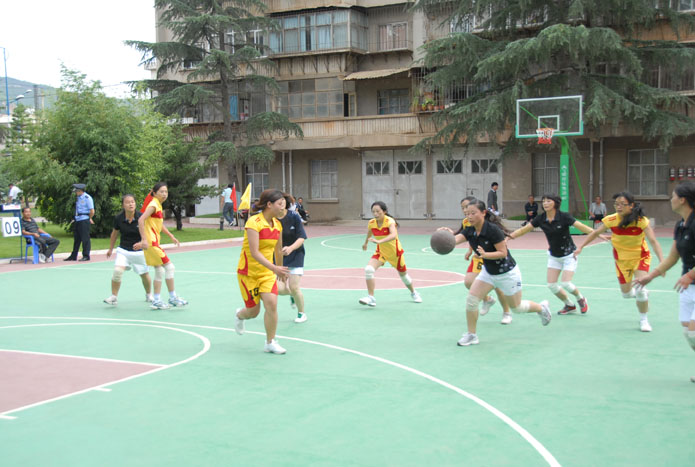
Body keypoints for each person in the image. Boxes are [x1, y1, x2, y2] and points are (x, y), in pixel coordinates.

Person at [457, 199, 552, 347]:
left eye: (473, 213)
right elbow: (455, 240)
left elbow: (503, 253)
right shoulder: (470, 230)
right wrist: (444, 236)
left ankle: (541, 308)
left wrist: (485, 255)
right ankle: (471, 335)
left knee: (517, 308)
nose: (469, 216)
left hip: (507, 273)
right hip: (488, 272)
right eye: (467, 213)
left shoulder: (493, 230)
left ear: (483, 213)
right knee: (472, 300)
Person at [575, 191, 663, 332]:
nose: (619, 207)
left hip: (640, 257)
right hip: (621, 260)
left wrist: (662, 262)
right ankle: (641, 293)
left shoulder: (641, 221)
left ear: (631, 205)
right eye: (616, 204)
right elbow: (595, 233)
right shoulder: (611, 220)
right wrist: (581, 247)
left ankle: (644, 320)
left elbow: (653, 241)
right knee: (626, 294)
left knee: (640, 289)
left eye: (622, 204)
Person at [634, 182, 695, 382]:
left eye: (673, 196)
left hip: (689, 280)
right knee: (688, 332)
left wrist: (690, 275)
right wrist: (650, 276)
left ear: (682, 200)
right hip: (687, 287)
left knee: (693, 332)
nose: (671, 199)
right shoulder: (681, 225)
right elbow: (673, 257)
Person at [510, 193, 593, 315]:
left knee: (566, 283)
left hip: (569, 255)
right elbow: (524, 230)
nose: (545, 203)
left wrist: (598, 234)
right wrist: (509, 237)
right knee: (551, 285)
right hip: (554, 256)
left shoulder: (564, 216)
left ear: (555, 203)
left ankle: (580, 298)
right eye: (544, 201)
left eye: (549, 201)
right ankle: (569, 305)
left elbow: (583, 227)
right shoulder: (541, 218)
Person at [438, 196, 513, 324]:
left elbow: (498, 244)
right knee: (469, 282)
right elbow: (466, 235)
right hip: (479, 257)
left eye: (467, 208)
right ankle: (487, 299)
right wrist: (449, 236)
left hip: (492, 258)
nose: (465, 211)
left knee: (498, 288)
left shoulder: (488, 225)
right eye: (463, 209)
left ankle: (507, 312)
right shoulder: (467, 221)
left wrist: (489, 252)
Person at [234, 189, 290, 354]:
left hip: (267, 274)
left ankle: (270, 342)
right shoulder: (253, 222)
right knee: (253, 312)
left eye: (284, 204)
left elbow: (278, 250)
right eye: (280, 204)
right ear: (269, 204)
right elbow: (255, 252)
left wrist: (280, 272)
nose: (283, 208)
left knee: (271, 304)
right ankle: (239, 315)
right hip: (248, 274)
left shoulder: (277, 225)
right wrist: (275, 268)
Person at [359, 201, 422, 307]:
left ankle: (414, 292)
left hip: (395, 254)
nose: (375, 214)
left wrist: (379, 241)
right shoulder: (371, 223)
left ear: (384, 211)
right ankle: (371, 298)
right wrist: (365, 243)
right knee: (369, 270)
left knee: (404, 276)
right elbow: (369, 232)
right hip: (381, 252)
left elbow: (393, 235)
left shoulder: (390, 221)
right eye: (373, 211)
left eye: (378, 211)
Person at [138, 182, 188, 310]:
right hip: (151, 243)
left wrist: (171, 235)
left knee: (159, 271)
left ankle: (157, 300)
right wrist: (143, 239)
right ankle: (172, 298)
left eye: (166, 191)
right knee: (170, 267)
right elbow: (141, 220)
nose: (164, 194)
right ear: (154, 193)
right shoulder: (154, 205)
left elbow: (159, 224)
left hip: (153, 242)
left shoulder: (157, 204)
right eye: (161, 191)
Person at [103, 194, 153, 306]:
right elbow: (114, 234)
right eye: (127, 202)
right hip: (124, 251)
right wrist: (110, 249)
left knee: (144, 274)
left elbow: (149, 234)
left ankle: (149, 295)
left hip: (139, 252)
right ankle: (114, 297)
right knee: (117, 271)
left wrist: (142, 243)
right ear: (123, 205)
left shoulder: (141, 217)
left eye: (132, 202)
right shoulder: (118, 218)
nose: (131, 204)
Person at [276, 193, 308, 323]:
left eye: (282, 200)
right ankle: (293, 296)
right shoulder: (271, 219)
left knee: (294, 287)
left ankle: (301, 313)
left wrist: (290, 248)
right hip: (279, 257)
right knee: (279, 289)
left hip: (296, 254)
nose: (281, 202)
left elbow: (302, 238)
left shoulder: (294, 216)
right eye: (278, 201)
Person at [64, 183, 94, 262]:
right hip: (78, 219)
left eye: (76, 191)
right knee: (77, 239)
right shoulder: (78, 198)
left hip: (84, 220)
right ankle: (74, 255)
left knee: (85, 239)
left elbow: (92, 211)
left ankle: (86, 255)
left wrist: (89, 218)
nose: (75, 193)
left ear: (80, 191)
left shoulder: (87, 198)